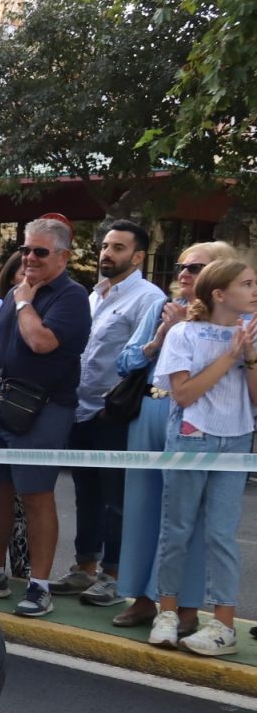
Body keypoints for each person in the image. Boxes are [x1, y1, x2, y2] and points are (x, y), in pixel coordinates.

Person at [109, 241, 237, 633]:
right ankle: (143, 599)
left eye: (195, 267)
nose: (183, 273)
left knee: (193, 515)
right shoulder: (159, 307)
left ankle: (187, 605)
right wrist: (163, 333)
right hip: (151, 408)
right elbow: (125, 361)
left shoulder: (232, 318)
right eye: (181, 265)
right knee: (144, 507)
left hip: (197, 416)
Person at [0, 217, 92, 617]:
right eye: (25, 249)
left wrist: (24, 301)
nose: (29, 257)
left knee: (37, 497)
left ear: (63, 256)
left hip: (43, 410)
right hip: (0, 410)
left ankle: (40, 585)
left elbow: (41, 342)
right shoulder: (16, 292)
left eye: (40, 251)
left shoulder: (71, 296)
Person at [146, 257, 257, 656]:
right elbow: (184, 394)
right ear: (219, 293)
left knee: (222, 534)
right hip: (191, 439)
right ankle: (168, 612)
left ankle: (223, 625)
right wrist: (230, 357)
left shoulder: (254, 333)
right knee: (177, 528)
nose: (254, 290)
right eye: (247, 284)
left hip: (237, 441)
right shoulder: (185, 334)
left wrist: (250, 356)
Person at [49, 220, 163, 605]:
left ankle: (114, 576)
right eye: (105, 246)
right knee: (87, 494)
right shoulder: (94, 295)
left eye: (118, 248)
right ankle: (85, 568)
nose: (107, 254)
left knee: (117, 497)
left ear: (139, 256)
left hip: (115, 412)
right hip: (80, 408)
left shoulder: (149, 298)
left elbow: (141, 358)